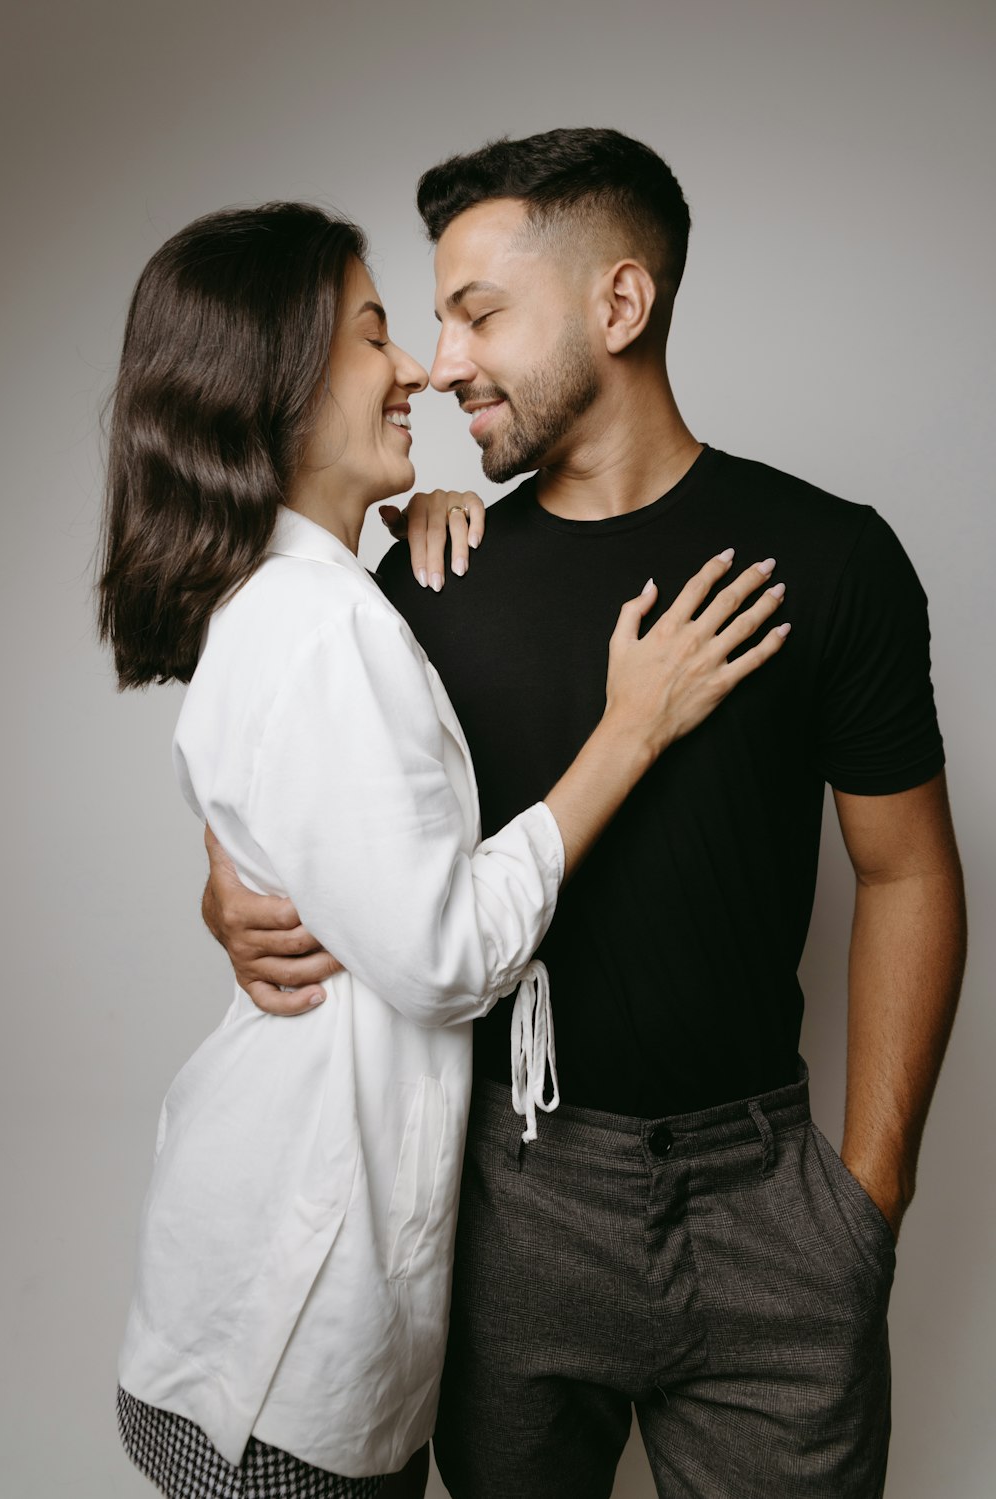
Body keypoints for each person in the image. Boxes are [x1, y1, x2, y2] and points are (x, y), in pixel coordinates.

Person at [206, 131, 967, 1499]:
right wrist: (224, 873)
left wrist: (868, 1198)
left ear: (621, 305)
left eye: (479, 313)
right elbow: (282, 754)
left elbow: (907, 873)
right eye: (434, 319)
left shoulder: (835, 558)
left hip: (772, 1209)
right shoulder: (426, 581)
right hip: (510, 1200)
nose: (441, 363)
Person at [97, 200, 788, 1499]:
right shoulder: (316, 626)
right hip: (284, 1362)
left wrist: (399, 545)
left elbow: (302, 807)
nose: (418, 365)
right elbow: (446, 955)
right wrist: (628, 731)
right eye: (375, 334)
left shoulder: (309, 603)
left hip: (253, 1310)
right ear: (275, 384)